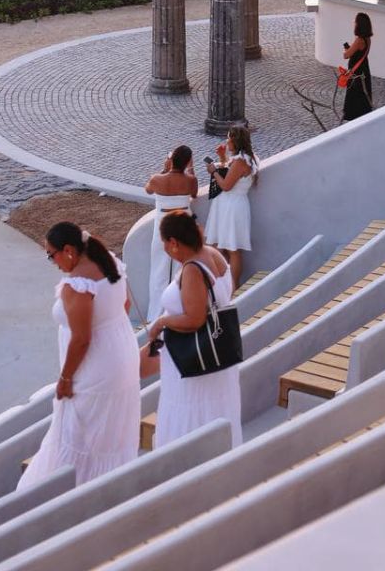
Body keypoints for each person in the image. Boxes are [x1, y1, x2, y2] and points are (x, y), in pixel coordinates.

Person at [18, 222, 140, 491]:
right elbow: (125, 304)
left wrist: (65, 378)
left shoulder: (77, 285)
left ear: (68, 250)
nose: (53, 262)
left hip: (94, 370)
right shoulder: (110, 262)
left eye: (51, 255)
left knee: (78, 435)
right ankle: (110, 490)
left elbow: (82, 339)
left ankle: (71, 495)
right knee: (112, 435)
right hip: (122, 357)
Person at [141, 212, 241, 448]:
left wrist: (161, 323)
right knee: (214, 411)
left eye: (164, 243)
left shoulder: (193, 269)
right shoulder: (214, 254)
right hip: (216, 357)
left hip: (193, 363)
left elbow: (195, 319)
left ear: (173, 242)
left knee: (189, 414)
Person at [145, 145, 199, 320]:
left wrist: (164, 169)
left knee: (158, 270)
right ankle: (178, 310)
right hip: (184, 224)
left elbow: (148, 189)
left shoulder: (156, 179)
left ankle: (155, 314)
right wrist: (191, 169)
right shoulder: (190, 180)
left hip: (162, 225)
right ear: (187, 162)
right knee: (181, 269)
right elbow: (194, 194)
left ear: (171, 159)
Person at [204, 124, 258, 291]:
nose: (226, 141)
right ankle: (227, 286)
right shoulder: (245, 158)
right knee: (226, 246)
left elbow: (226, 185)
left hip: (231, 207)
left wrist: (213, 171)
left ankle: (233, 287)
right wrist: (222, 157)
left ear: (236, 141)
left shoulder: (240, 161)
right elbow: (230, 171)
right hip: (231, 206)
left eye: (229, 138)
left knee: (232, 248)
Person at [341, 11, 373, 122]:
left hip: (356, 73)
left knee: (354, 96)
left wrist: (346, 49)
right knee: (363, 95)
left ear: (359, 25)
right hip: (364, 69)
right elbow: (359, 53)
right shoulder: (367, 39)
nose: (354, 23)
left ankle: (353, 118)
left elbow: (346, 55)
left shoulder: (359, 40)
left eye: (355, 21)